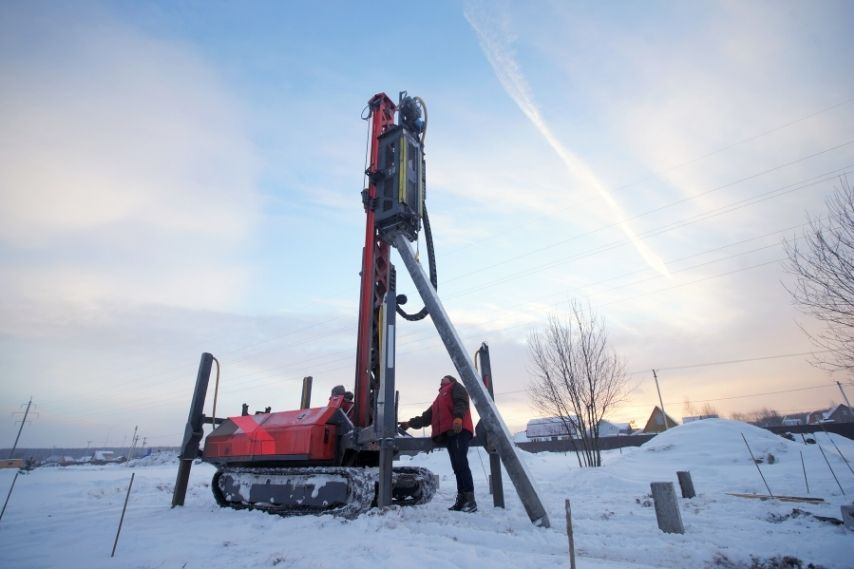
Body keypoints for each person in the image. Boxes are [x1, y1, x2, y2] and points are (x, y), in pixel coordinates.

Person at [399, 375, 476, 513]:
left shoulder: (455, 387)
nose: (441, 380)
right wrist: (410, 423)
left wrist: (458, 417)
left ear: (450, 380)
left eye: (444, 378)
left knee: (461, 464)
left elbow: (461, 402)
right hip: (450, 435)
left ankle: (470, 500)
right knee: (457, 466)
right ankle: (462, 498)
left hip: (458, 430)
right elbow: (426, 418)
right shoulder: (439, 399)